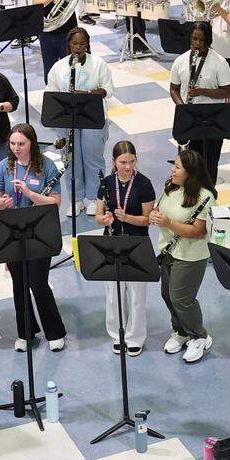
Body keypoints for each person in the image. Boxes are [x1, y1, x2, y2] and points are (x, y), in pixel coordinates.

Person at [0, 123, 67, 353]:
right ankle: (25, 332)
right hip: (13, 233)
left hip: (39, 232)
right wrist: (2, 203)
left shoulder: (46, 166)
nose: (16, 148)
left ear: (32, 143)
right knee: (19, 283)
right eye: (12, 143)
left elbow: (55, 202)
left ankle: (55, 332)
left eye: (21, 144)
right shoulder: (4, 166)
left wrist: (30, 193)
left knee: (38, 282)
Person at [151, 150, 216, 364]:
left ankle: (199, 336)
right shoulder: (170, 187)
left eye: (178, 167)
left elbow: (198, 231)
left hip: (190, 256)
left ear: (190, 172)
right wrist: (154, 214)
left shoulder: (205, 197)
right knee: (167, 295)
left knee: (181, 299)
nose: (173, 170)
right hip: (167, 250)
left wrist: (169, 223)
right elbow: (158, 208)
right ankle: (181, 331)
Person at [95, 140, 158, 356]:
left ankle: (135, 337)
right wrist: (105, 219)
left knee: (136, 295)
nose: (128, 166)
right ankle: (117, 334)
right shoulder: (106, 182)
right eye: (123, 162)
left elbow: (148, 220)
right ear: (114, 161)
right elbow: (98, 215)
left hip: (136, 243)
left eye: (132, 161)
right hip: (112, 244)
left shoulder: (144, 184)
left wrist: (127, 217)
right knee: (114, 294)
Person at [47, 27, 114, 217]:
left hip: (93, 116)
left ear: (88, 45)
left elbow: (108, 90)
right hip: (67, 118)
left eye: (82, 44)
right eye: (75, 43)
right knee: (70, 160)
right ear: (69, 44)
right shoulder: (59, 67)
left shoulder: (99, 64)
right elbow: (50, 92)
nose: (78, 47)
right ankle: (76, 199)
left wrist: (88, 94)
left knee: (93, 158)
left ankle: (94, 199)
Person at [169, 22, 230, 184]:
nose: (197, 43)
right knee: (188, 166)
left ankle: (208, 193)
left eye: (201, 40)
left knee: (209, 165)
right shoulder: (180, 61)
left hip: (212, 121)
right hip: (189, 119)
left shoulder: (220, 63)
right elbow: (174, 89)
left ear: (208, 40)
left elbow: (227, 91)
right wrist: (182, 108)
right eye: (194, 39)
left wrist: (203, 91)